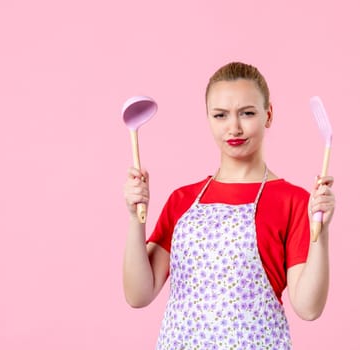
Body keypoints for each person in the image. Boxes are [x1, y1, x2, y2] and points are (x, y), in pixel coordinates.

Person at [122, 62, 335, 349]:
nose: (233, 128)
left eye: (247, 113)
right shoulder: (182, 201)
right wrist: (136, 218)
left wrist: (321, 232)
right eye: (220, 115)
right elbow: (138, 294)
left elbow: (308, 308)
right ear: (208, 118)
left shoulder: (293, 201)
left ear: (268, 115)